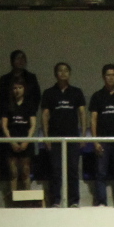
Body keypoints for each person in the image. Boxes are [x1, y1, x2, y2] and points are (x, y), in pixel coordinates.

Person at [39, 61, 86, 208]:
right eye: (60, 70)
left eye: (66, 70)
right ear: (55, 74)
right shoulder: (49, 93)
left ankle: (74, 201)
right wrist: (46, 137)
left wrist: (83, 135)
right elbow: (45, 115)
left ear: (69, 73)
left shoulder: (76, 92)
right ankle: (56, 200)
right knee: (56, 170)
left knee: (73, 170)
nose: (63, 73)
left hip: (73, 138)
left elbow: (82, 113)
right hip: (55, 138)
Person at [87, 65, 114, 208]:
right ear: (103, 77)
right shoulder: (97, 96)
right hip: (102, 141)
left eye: (113, 75)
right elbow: (93, 120)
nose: (111, 78)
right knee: (101, 173)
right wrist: (95, 141)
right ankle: (101, 202)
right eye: (108, 75)